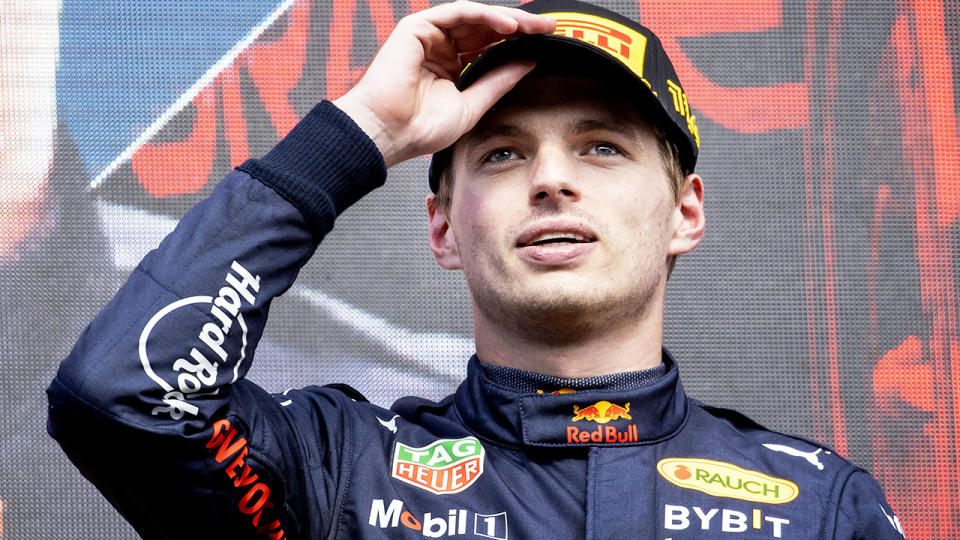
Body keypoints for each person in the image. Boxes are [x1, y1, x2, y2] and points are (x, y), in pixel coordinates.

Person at [48, 0, 904, 537]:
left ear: (685, 212)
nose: (553, 178)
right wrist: (354, 140)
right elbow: (126, 398)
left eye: (602, 146)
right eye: (501, 154)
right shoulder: (342, 473)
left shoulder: (819, 509)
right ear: (444, 227)